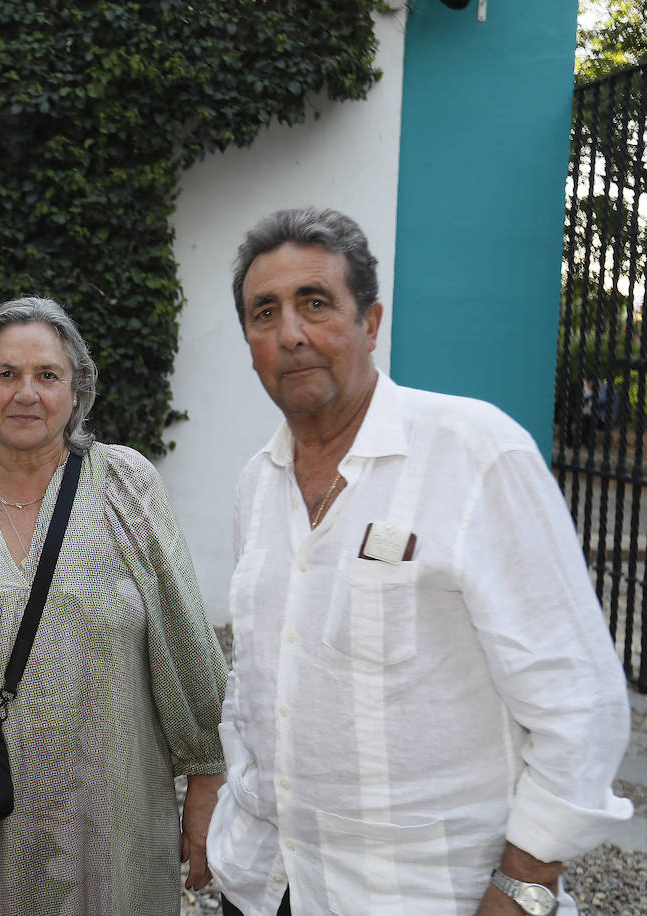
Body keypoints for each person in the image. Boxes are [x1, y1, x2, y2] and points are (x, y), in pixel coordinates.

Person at [208, 207, 633, 916]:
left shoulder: (474, 454)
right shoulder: (259, 482)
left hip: (422, 897)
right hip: (266, 883)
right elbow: (256, 677)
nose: (291, 334)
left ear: (370, 323)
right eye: (264, 312)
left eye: (316, 303)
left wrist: (523, 888)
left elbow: (579, 701)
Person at [0, 297, 228, 915]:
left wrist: (206, 777)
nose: (26, 394)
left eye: (47, 375)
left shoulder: (124, 483)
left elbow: (185, 637)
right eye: (5, 374)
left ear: (76, 390)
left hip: (111, 822)